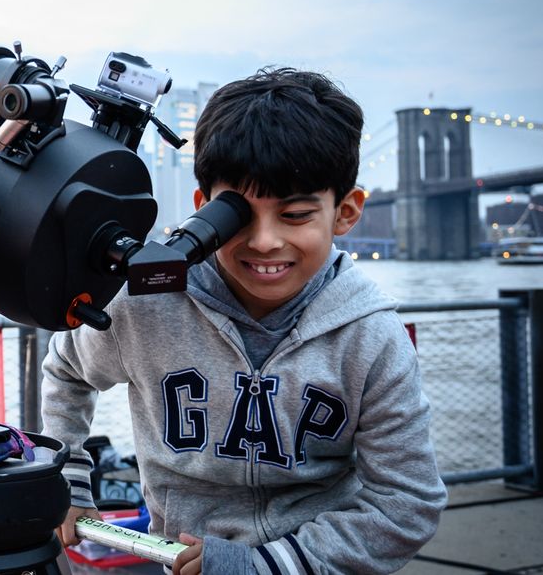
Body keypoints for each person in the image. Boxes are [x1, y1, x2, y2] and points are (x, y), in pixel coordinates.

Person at [41, 67, 446, 575]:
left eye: (296, 215)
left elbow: (407, 503)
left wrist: (266, 566)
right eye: (236, 215)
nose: (264, 242)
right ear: (201, 207)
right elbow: (68, 371)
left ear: (346, 212)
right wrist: (70, 481)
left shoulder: (371, 337)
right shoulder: (144, 304)